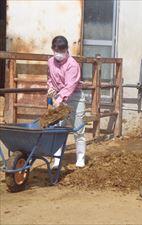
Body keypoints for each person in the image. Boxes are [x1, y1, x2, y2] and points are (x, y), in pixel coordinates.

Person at [47, 35, 86, 168]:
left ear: (66, 50)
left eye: (61, 51)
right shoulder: (50, 61)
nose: (58, 54)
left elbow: (70, 86)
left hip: (74, 97)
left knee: (78, 128)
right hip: (59, 96)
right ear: (53, 49)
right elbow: (50, 77)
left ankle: (80, 158)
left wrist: (59, 98)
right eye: (56, 51)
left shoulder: (72, 65)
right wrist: (51, 88)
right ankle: (57, 160)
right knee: (58, 129)